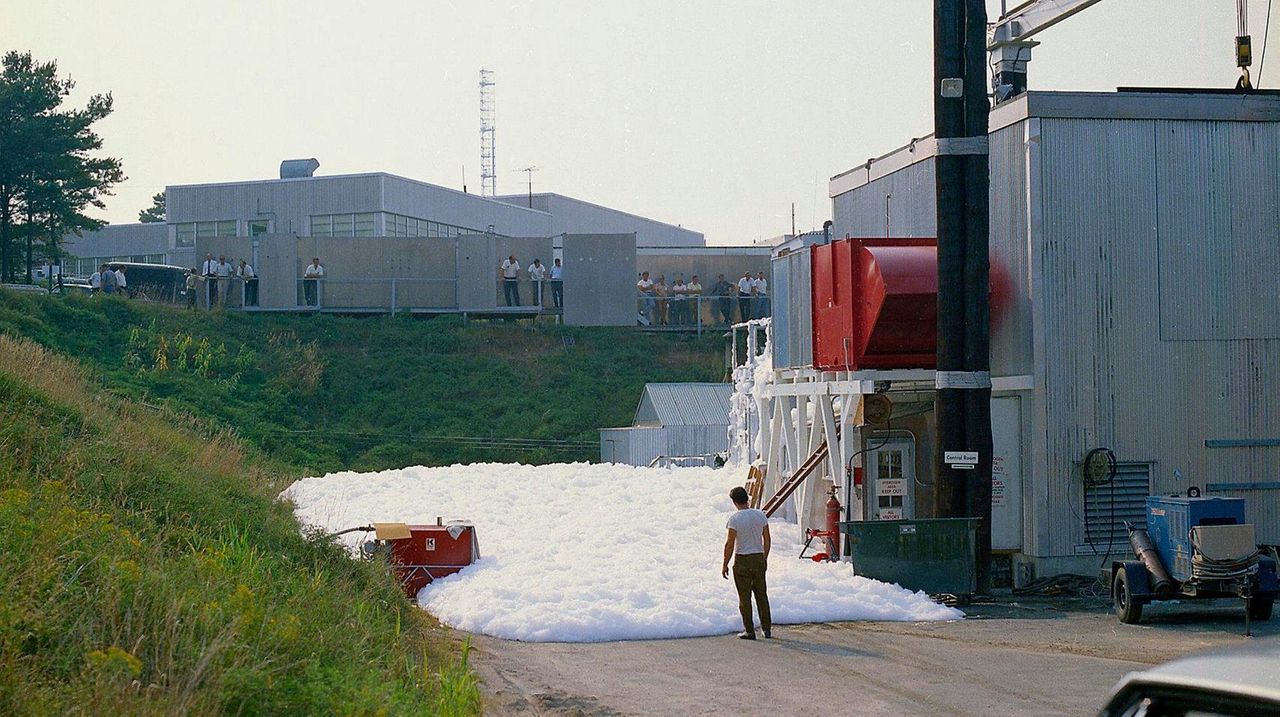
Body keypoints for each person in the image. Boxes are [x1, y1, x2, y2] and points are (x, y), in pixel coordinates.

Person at [722, 486, 771, 640]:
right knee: (761, 595)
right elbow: (767, 539)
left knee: (745, 597)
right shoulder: (760, 515)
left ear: (734, 502)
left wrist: (725, 563)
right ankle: (766, 629)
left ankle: (749, 631)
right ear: (747, 499)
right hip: (758, 557)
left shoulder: (734, 519)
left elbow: (730, 544)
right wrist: (765, 557)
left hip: (742, 559)